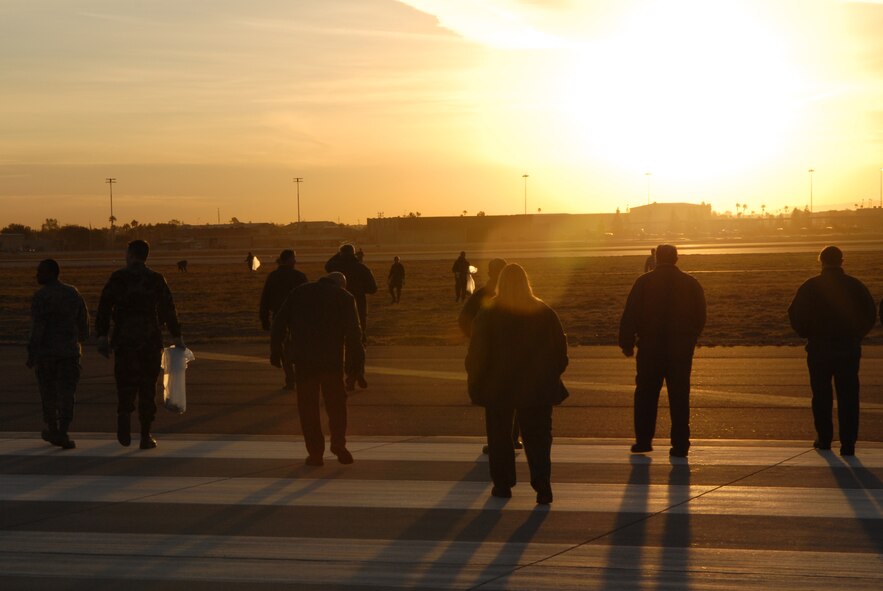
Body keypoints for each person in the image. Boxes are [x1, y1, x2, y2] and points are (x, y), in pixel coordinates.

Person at [466, 263, 568, 505]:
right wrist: (550, 376)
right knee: (539, 438)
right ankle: (543, 485)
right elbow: (560, 352)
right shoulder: (543, 311)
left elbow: (477, 352)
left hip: (498, 386)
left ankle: (503, 485)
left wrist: (475, 382)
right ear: (526, 282)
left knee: (499, 437)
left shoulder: (489, 312)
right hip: (536, 387)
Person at [618, 244, 706, 458]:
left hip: (650, 348)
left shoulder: (644, 282)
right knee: (679, 396)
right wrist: (689, 339)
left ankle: (644, 440)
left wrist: (627, 342)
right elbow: (700, 316)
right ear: (676, 259)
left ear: (656, 258)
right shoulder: (691, 283)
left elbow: (630, 314)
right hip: (680, 350)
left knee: (646, 395)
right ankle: (680, 444)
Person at [788, 246, 876, 456]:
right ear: (842, 261)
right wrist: (857, 335)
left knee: (821, 394)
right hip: (848, 347)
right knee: (848, 395)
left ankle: (825, 438)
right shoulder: (855, 286)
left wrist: (807, 333)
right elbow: (870, 313)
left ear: (821, 261)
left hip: (819, 347)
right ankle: (848, 443)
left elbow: (795, 314)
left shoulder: (810, 286)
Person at [96, 240, 184, 450]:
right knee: (147, 386)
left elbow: (104, 306)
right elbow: (168, 309)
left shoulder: (118, 278)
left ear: (132, 254)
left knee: (125, 381)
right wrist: (177, 336)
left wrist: (101, 336)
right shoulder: (155, 279)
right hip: (149, 339)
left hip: (125, 338)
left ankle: (124, 412)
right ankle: (145, 435)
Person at [270, 272, 365, 466]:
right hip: (332, 362)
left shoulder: (299, 292)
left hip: (304, 362)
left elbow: (279, 322)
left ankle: (315, 453)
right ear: (341, 284)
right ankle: (338, 442)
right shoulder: (344, 297)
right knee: (337, 406)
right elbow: (354, 334)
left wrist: (275, 350)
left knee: (308, 409)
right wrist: (357, 364)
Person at [458, 258, 522, 453]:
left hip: (490, 361)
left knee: (495, 406)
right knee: (515, 399)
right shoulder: (519, 297)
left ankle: (498, 441)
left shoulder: (481, 297)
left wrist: (476, 340)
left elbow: (463, 320)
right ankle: (513, 437)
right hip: (515, 358)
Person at [27, 259, 89, 450]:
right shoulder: (72, 293)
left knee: (48, 393)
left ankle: (53, 429)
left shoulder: (41, 296)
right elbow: (84, 323)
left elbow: (38, 328)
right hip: (69, 353)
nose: (37, 275)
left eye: (40, 272)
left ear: (52, 273)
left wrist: (32, 352)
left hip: (47, 354)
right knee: (67, 393)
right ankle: (62, 431)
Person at [259, 249, 308, 390]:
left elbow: (265, 299)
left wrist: (264, 318)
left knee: (282, 348)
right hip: (297, 318)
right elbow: (308, 298)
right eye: (294, 258)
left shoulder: (273, 276)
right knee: (297, 348)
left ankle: (290, 379)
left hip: (279, 316)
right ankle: (298, 378)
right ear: (289, 259)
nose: (295, 261)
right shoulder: (299, 276)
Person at [325, 244, 377, 343]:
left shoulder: (336, 266)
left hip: (338, 303)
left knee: (339, 333)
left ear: (341, 254)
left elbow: (328, 265)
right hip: (358, 303)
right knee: (359, 332)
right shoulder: (362, 268)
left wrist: (338, 254)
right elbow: (373, 289)